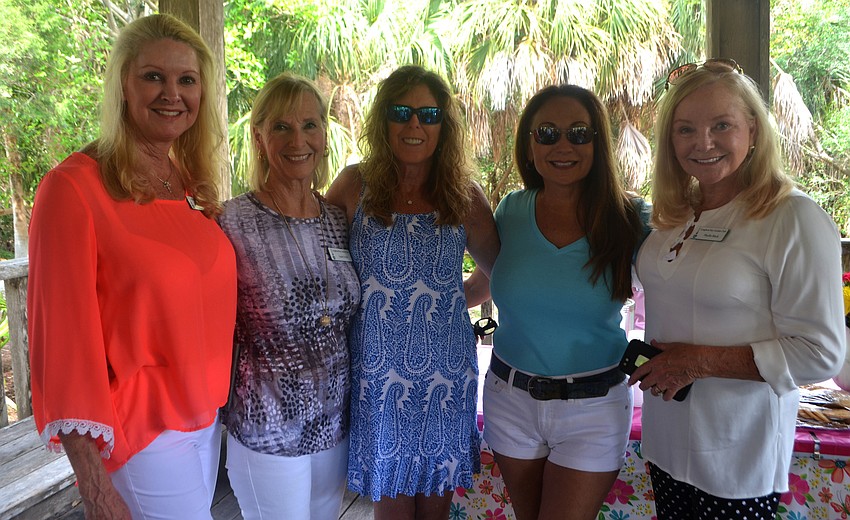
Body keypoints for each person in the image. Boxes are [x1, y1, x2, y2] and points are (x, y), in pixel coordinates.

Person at [27, 14, 236, 519]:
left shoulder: (187, 183)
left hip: (205, 419)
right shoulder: (74, 189)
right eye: (153, 76)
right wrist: (93, 486)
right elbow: (61, 350)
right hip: (142, 432)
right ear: (123, 84)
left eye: (187, 80)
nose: (172, 94)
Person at [630, 58, 845, 520]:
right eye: (685, 129)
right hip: (666, 441)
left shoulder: (791, 217)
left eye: (721, 125)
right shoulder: (675, 215)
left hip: (736, 454)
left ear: (754, 130)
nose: (703, 142)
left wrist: (699, 361)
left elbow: (822, 352)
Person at [325, 65, 499, 520]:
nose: (415, 124)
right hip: (377, 376)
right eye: (401, 112)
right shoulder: (353, 185)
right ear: (383, 120)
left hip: (446, 375)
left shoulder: (464, 195)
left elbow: (497, 275)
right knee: (392, 507)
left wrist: (447, 301)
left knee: (435, 507)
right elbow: (323, 267)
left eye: (429, 114)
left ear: (445, 125)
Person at [468, 85, 649, 520]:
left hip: (594, 406)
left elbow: (682, 287)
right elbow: (488, 281)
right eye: (547, 133)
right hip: (509, 399)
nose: (562, 145)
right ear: (529, 146)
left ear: (597, 143)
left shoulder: (631, 217)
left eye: (578, 133)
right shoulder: (511, 210)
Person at [218, 72, 360, 520]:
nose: (298, 140)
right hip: (268, 430)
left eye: (309, 125)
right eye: (281, 126)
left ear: (324, 134)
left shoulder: (337, 219)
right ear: (259, 138)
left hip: (333, 427)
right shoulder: (231, 223)